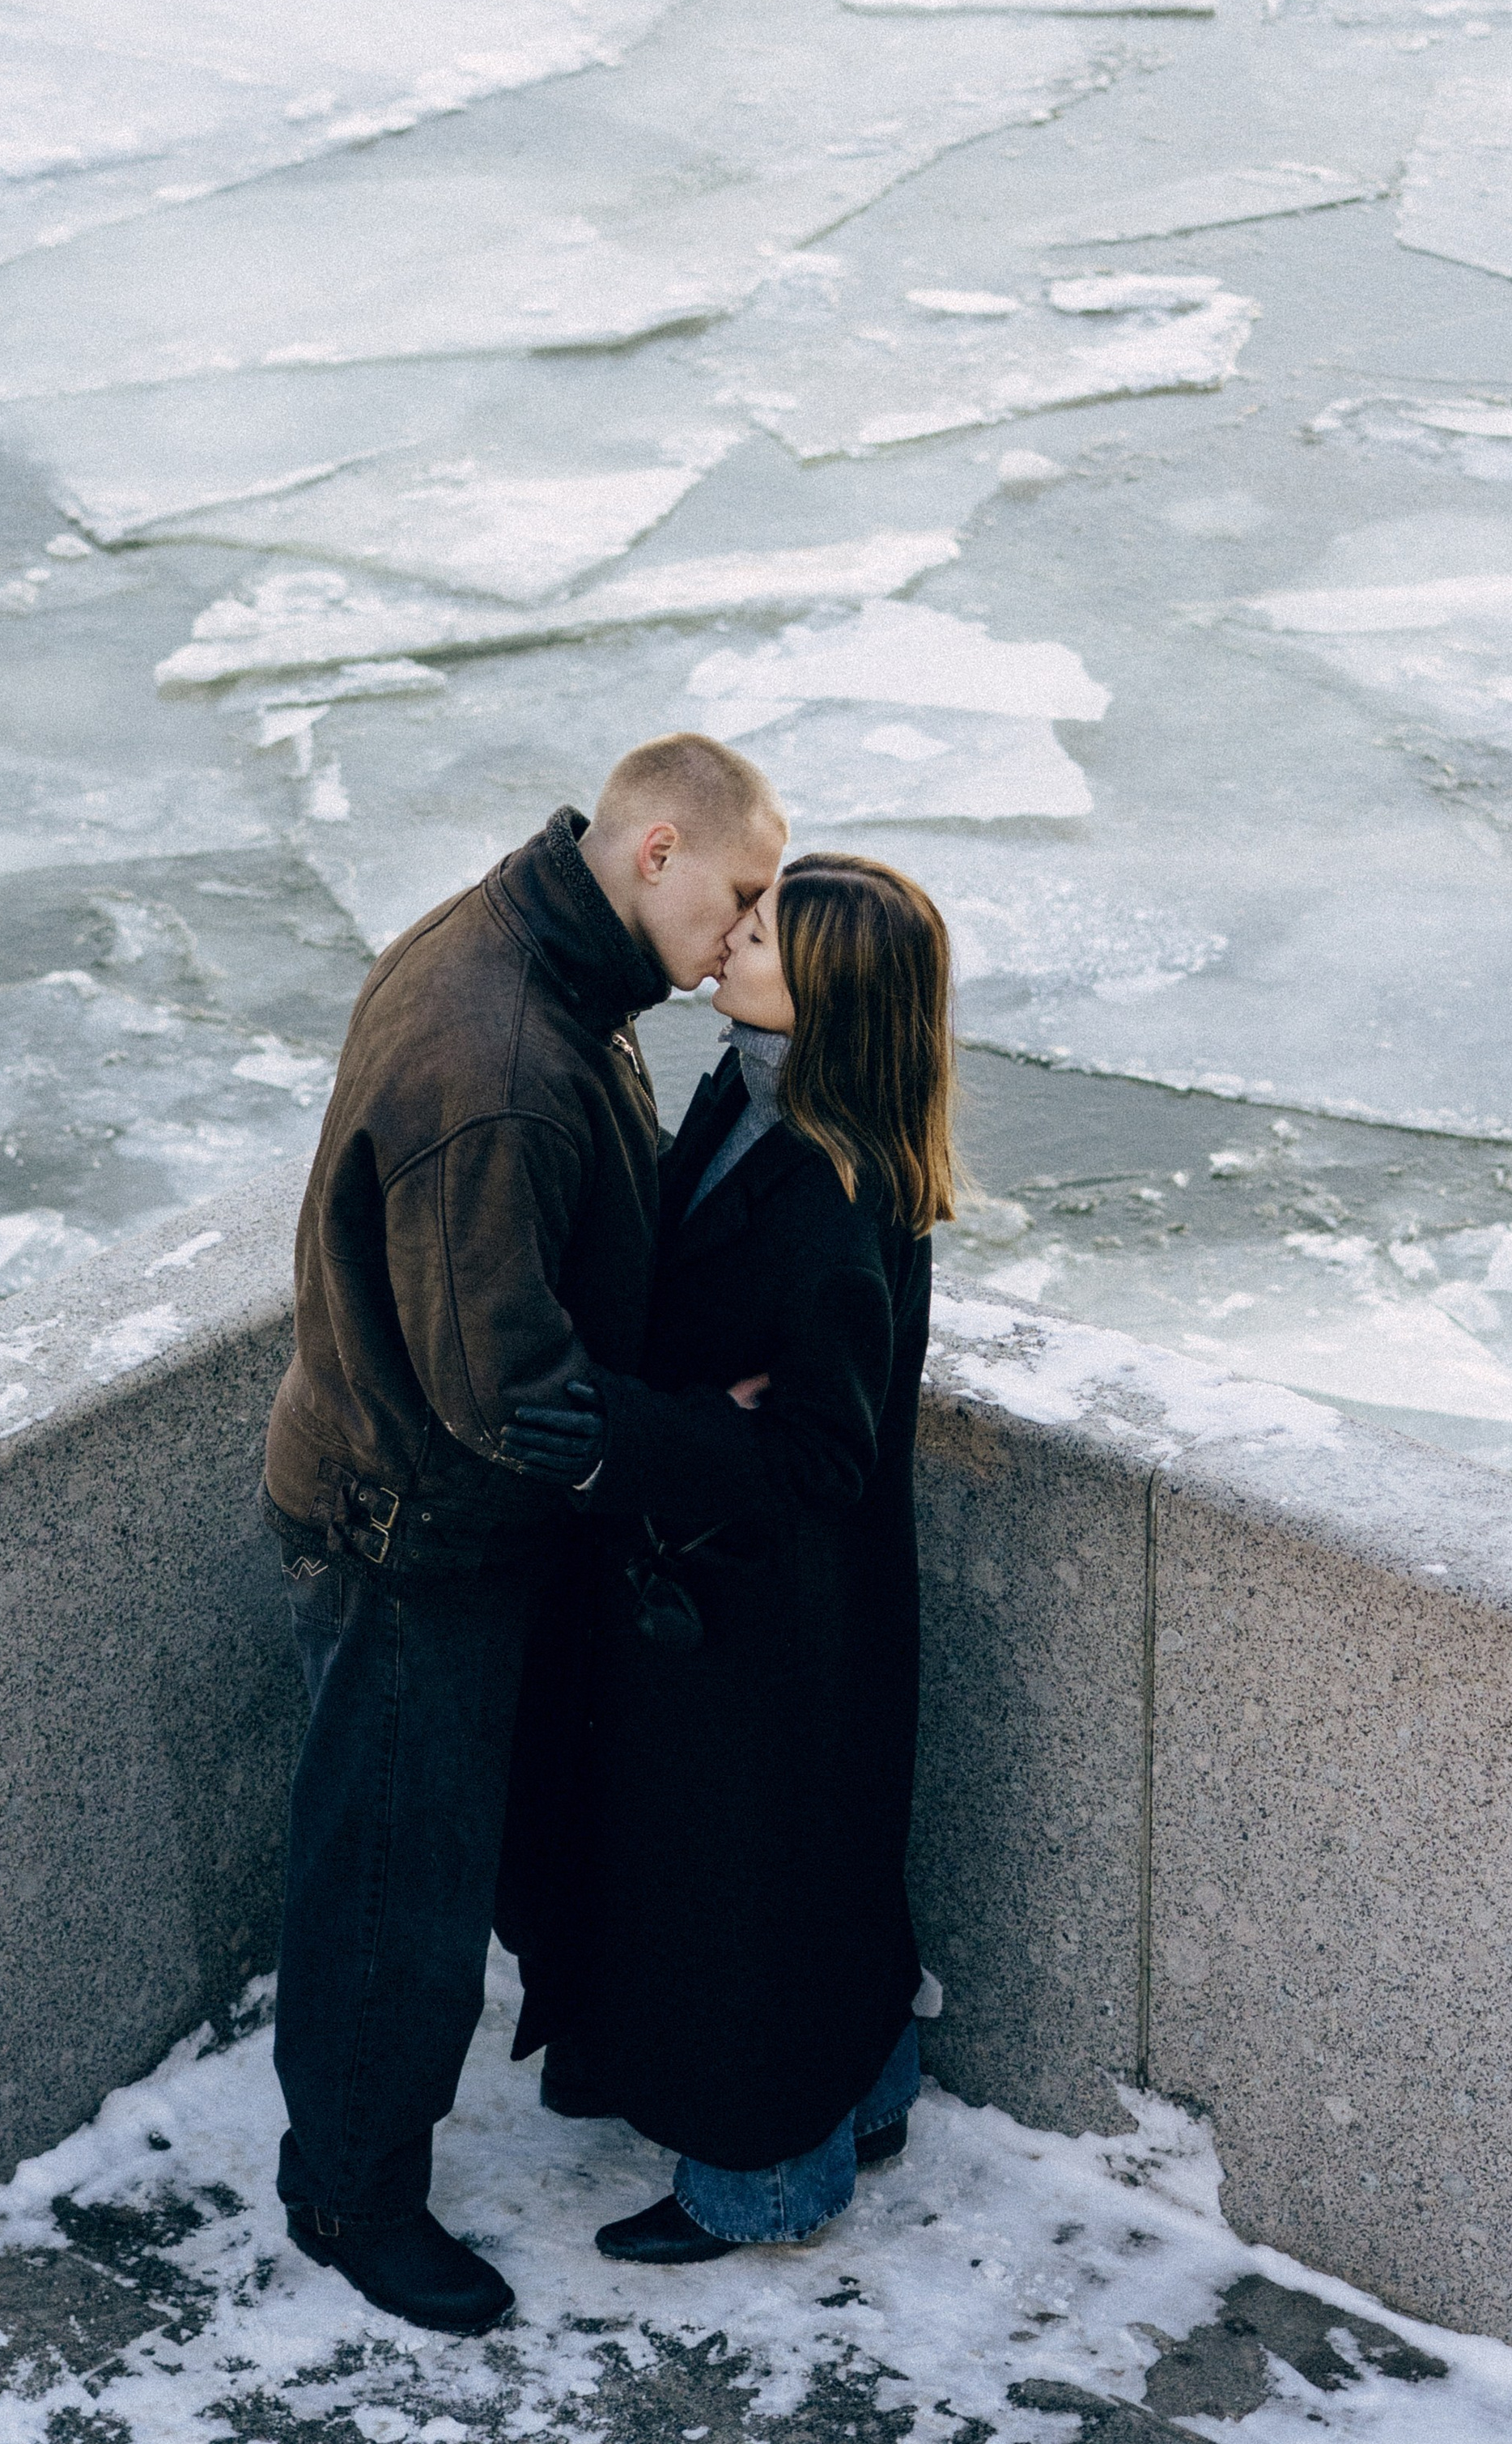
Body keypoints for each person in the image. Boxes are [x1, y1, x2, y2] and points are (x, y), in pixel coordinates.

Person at [260, 738, 788, 2335]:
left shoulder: (540, 956)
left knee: (469, 1839)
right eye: (743, 895)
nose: (750, 934)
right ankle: (350, 2195)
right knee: (391, 1887)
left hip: (451, 1505)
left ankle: (579, 2055)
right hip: (414, 1528)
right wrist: (714, 1443)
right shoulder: (496, 1054)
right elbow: (507, 1394)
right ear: (654, 852)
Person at [506, 852, 953, 2259]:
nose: (727, 934)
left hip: (766, 1624)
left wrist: (640, 1429)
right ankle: (869, 2094)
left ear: (821, 995)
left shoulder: (827, 1195)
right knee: (809, 1872)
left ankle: (763, 2184)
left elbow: (821, 1456)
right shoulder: (768, 1089)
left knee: (755, 1895)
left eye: (759, 931)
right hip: (758, 1606)